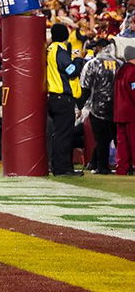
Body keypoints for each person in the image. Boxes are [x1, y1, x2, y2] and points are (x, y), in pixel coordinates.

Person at [46, 22, 84, 176]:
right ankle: (62, 169)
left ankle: (60, 167)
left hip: (55, 98)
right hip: (62, 98)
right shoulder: (59, 51)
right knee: (64, 135)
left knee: (59, 134)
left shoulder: (50, 49)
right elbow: (72, 71)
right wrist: (78, 59)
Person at [80, 43, 120, 174]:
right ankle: (95, 162)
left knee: (102, 139)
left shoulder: (92, 64)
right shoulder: (119, 64)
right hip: (116, 107)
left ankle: (102, 166)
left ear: (98, 48)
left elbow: (85, 87)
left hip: (97, 107)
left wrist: (79, 106)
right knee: (114, 138)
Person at [112, 24, 135, 176]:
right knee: (133, 141)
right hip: (131, 112)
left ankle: (122, 167)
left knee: (122, 143)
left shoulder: (120, 71)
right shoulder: (133, 72)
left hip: (119, 112)